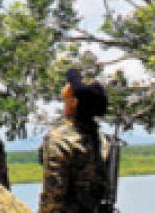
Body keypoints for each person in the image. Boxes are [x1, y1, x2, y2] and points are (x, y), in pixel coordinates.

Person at [38, 68, 111, 213]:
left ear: (74, 103)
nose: (64, 92)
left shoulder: (61, 141)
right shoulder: (102, 140)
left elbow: (53, 196)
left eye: (69, 92)